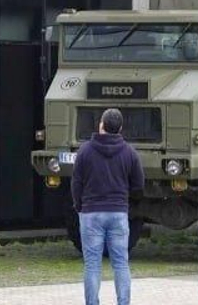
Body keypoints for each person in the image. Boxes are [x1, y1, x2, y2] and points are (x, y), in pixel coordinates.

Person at [71, 108, 144, 305]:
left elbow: (76, 183)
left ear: (101, 125)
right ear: (120, 128)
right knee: (121, 264)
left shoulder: (85, 151)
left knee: (92, 265)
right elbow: (138, 186)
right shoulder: (130, 152)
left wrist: (79, 206)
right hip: (118, 212)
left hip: (90, 213)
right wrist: (128, 204)